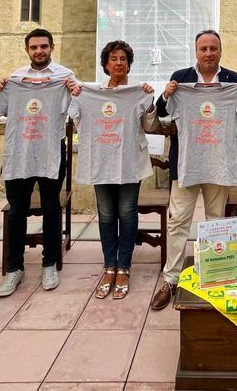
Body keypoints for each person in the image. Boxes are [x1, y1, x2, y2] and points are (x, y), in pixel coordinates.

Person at [150, 29, 237, 311]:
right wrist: (165, 95)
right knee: (177, 223)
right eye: (203, 49)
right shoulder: (181, 78)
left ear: (220, 51)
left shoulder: (234, 81)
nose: (208, 53)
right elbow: (163, 113)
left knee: (216, 221)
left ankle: (218, 274)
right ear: (196, 52)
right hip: (186, 164)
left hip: (219, 164)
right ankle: (170, 280)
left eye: (213, 48)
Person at [68, 40, 157, 300]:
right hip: (102, 160)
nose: (118, 63)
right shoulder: (91, 92)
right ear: (106, 65)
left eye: (123, 59)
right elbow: (76, 118)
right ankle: (109, 266)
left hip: (129, 161)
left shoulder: (138, 91)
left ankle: (125, 267)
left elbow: (150, 125)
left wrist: (150, 103)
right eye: (113, 59)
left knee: (127, 213)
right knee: (106, 214)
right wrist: (76, 95)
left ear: (129, 63)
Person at [0, 28, 76, 297]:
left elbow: (76, 109)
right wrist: (2, 86)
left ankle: (49, 263)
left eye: (44, 46)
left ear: (52, 47)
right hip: (19, 153)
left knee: (52, 207)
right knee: (18, 210)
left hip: (51, 151)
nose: (39, 51)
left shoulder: (65, 77)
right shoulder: (16, 78)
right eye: (34, 47)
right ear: (27, 50)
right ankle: (14, 267)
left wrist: (74, 92)